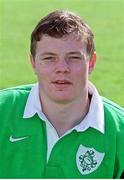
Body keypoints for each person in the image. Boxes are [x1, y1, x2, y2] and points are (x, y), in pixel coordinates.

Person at [0, 10, 124, 179]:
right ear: (33, 62)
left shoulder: (119, 131)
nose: (62, 68)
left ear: (91, 63)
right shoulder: (3, 111)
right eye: (49, 58)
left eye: (73, 57)